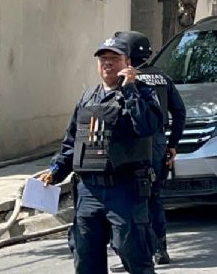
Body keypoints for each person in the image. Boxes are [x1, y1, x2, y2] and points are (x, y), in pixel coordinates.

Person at [38, 38, 164, 274]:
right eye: (103, 59)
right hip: (89, 190)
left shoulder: (143, 93)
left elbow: (148, 127)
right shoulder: (88, 97)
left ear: (128, 63)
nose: (108, 64)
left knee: (133, 254)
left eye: (115, 59)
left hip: (125, 188)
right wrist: (56, 171)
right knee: (86, 259)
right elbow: (72, 141)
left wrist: (130, 89)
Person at [112, 31, 186, 266]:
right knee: (153, 196)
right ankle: (160, 249)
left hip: (133, 146)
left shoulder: (125, 79)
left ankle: (137, 253)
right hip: (157, 143)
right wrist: (173, 144)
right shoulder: (163, 78)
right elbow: (180, 112)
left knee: (132, 198)